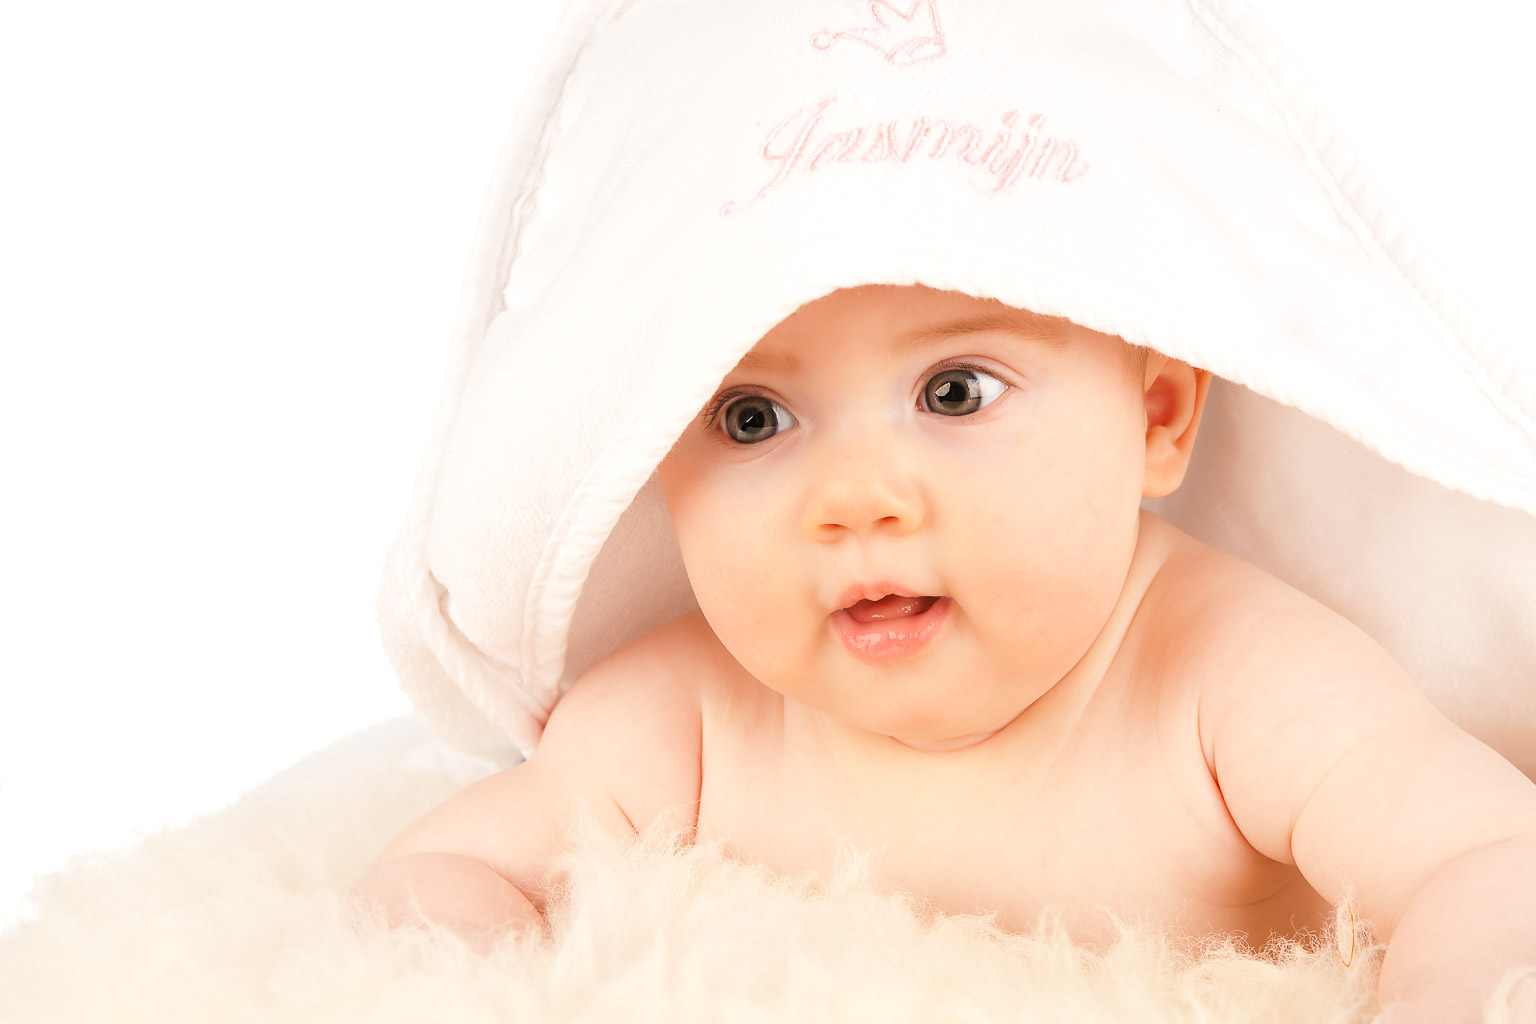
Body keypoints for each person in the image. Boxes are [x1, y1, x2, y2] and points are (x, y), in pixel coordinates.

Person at [357, 281, 1536, 1024]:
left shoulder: (1232, 679)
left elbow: (1490, 856)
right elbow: (436, 873)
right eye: (753, 417)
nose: (854, 498)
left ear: (1158, 417)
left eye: (956, 392)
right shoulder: (683, 718)